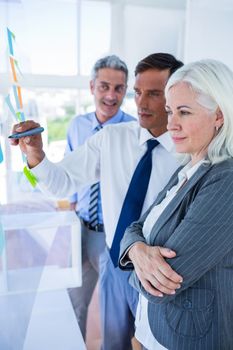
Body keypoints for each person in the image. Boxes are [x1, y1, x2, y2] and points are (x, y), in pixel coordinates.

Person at [10, 53, 183, 350]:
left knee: (160, 344)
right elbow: (62, 182)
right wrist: (35, 154)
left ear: (175, 96)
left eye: (154, 94)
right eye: (138, 93)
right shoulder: (111, 138)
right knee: (112, 343)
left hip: (162, 272)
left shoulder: (189, 151)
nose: (141, 103)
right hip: (115, 263)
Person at [119, 59, 233, 350]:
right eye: (170, 111)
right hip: (152, 331)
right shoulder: (188, 167)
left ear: (219, 115)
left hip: (186, 339)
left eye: (184, 112)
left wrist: (133, 256)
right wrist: (137, 249)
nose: (171, 124)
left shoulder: (226, 180)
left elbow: (164, 285)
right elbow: (135, 227)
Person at [66, 55, 135, 340]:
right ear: (92, 86)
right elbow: (70, 175)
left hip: (112, 236)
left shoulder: (134, 130)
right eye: (104, 86)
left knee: (113, 314)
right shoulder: (77, 126)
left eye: (119, 88)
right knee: (75, 305)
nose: (111, 95)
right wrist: (69, 217)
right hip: (78, 228)